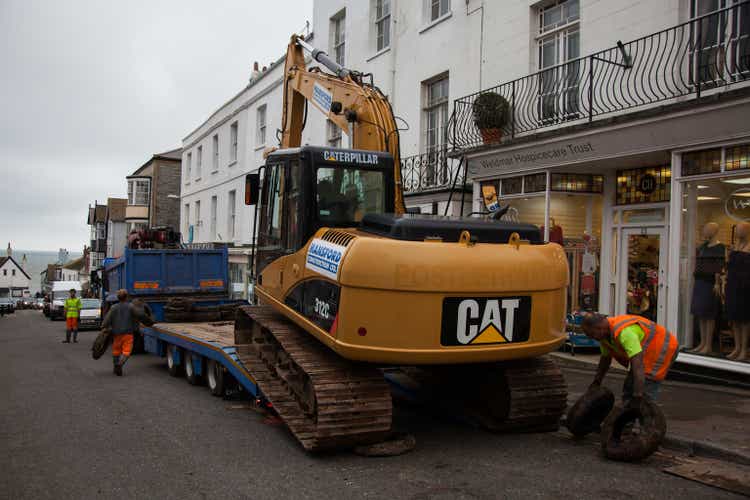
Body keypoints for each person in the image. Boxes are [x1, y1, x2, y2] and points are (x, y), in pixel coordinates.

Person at [581, 313, 679, 411]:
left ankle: (648, 421)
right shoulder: (604, 336)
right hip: (645, 351)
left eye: (591, 334)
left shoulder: (625, 333)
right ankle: (627, 420)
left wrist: (638, 394)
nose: (591, 338)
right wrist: (596, 382)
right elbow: (605, 360)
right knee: (629, 390)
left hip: (662, 349)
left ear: (599, 328)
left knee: (645, 392)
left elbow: (638, 365)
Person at [100, 289, 139, 376]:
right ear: (126, 297)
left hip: (116, 334)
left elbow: (107, 319)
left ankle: (115, 367)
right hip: (128, 333)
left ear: (118, 297)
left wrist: (103, 326)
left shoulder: (113, 308)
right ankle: (120, 364)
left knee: (116, 351)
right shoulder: (131, 306)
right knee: (126, 351)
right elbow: (138, 315)